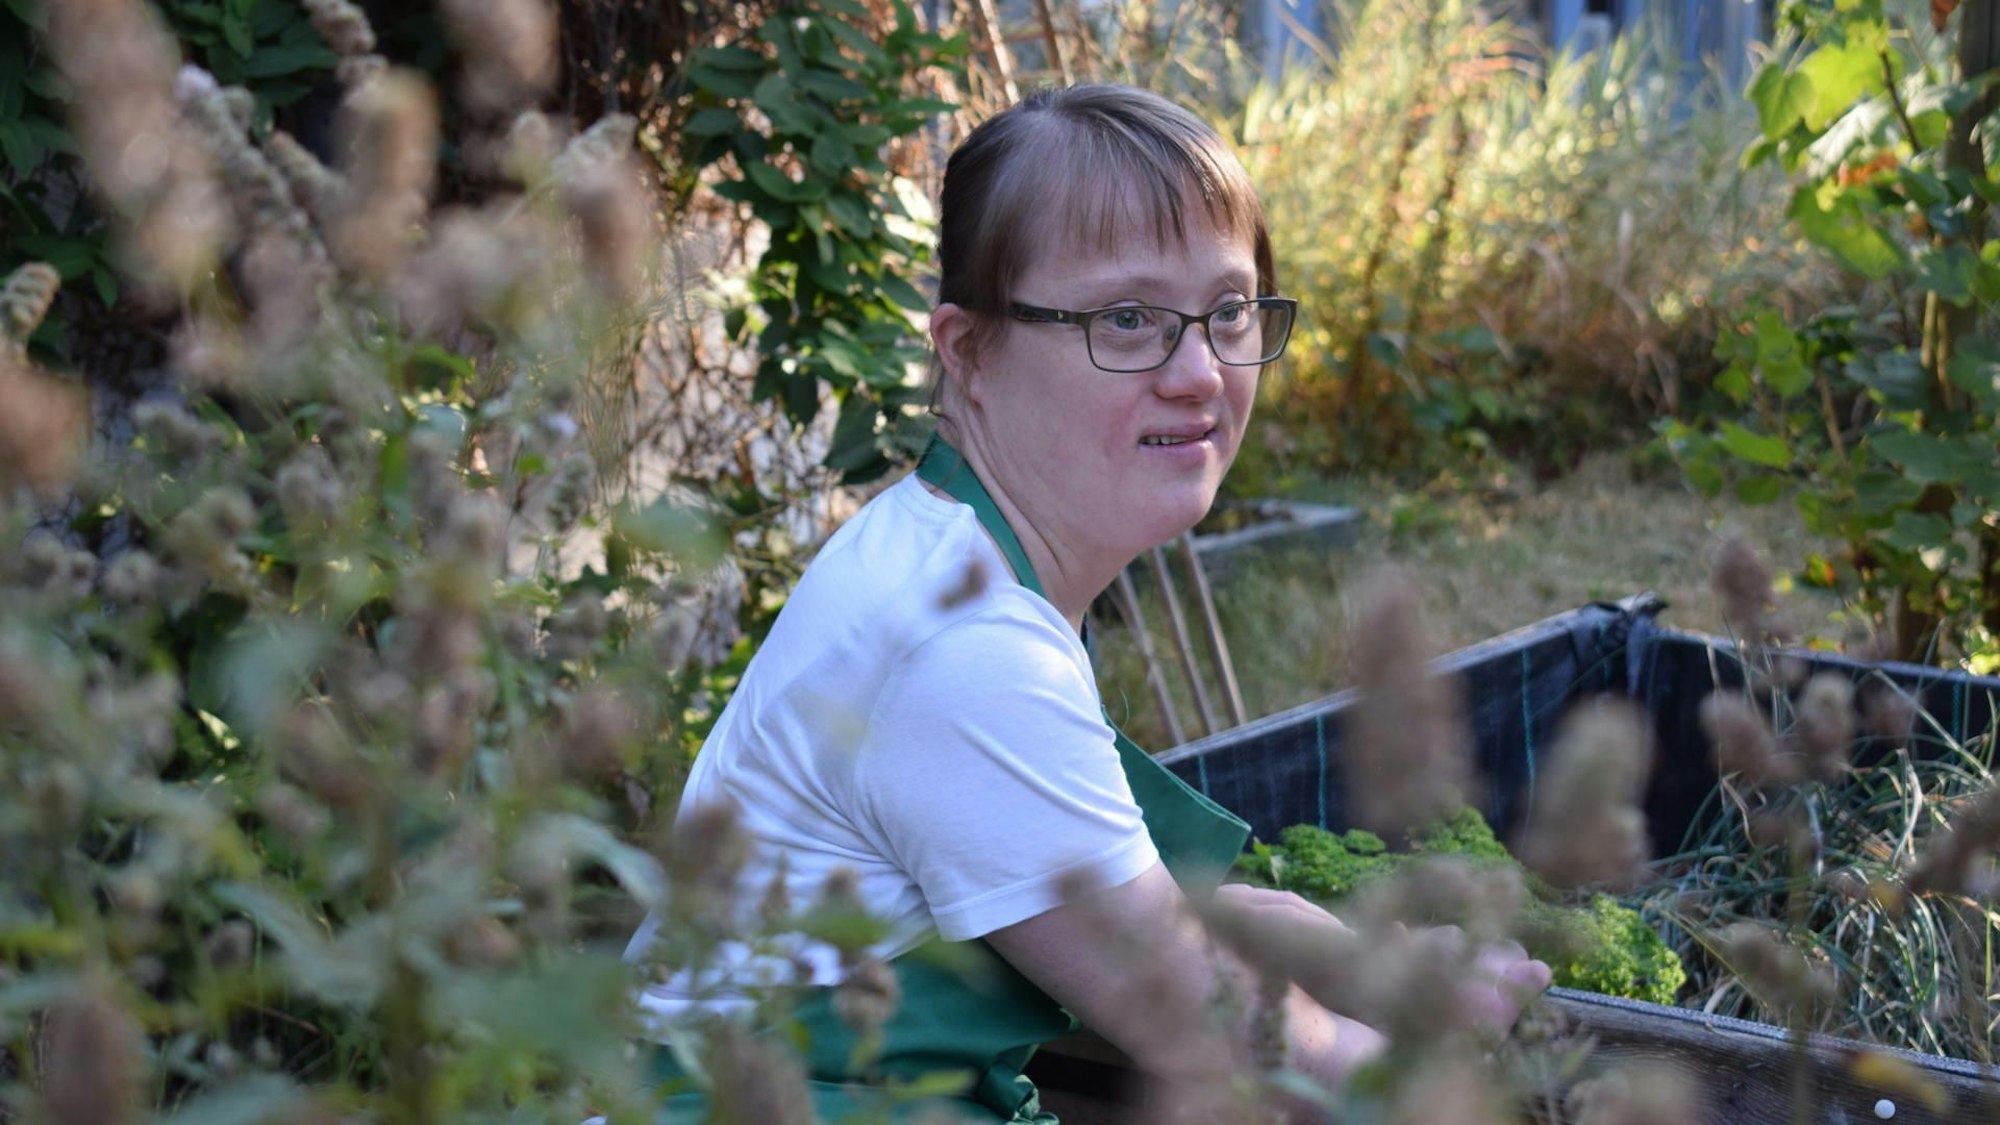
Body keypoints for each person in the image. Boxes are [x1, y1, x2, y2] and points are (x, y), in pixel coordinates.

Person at [623, 84, 1549, 1122]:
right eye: (1127, 319)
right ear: (967, 351)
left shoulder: (947, 548)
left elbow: (1125, 905)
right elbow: (1238, 1041)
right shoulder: (965, 647)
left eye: (1228, 311)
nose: (1199, 373)